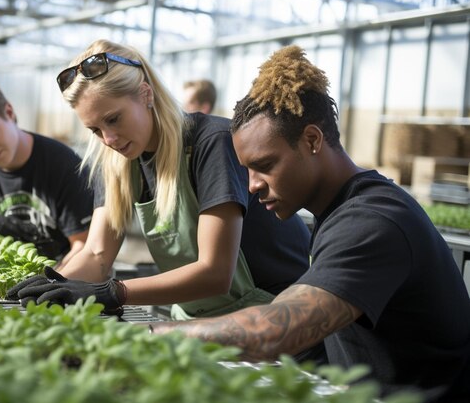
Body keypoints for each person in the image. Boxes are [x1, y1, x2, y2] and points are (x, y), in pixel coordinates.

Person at [145, 46, 470, 402]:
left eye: (265, 165)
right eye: (248, 170)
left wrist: (152, 335)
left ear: (313, 140)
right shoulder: (339, 210)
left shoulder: (371, 221)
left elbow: (276, 330)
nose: (253, 185)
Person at [7, 39, 314, 327]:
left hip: (277, 315)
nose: (108, 139)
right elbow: (97, 255)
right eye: (95, 130)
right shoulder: (116, 161)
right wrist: (54, 287)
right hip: (200, 319)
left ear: (145, 94)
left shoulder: (211, 144)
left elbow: (215, 273)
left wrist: (115, 292)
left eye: (113, 119)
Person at [0, 79, 94, 265]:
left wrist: (52, 285)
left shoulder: (64, 166)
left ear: (9, 113)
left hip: (64, 281)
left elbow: (84, 247)